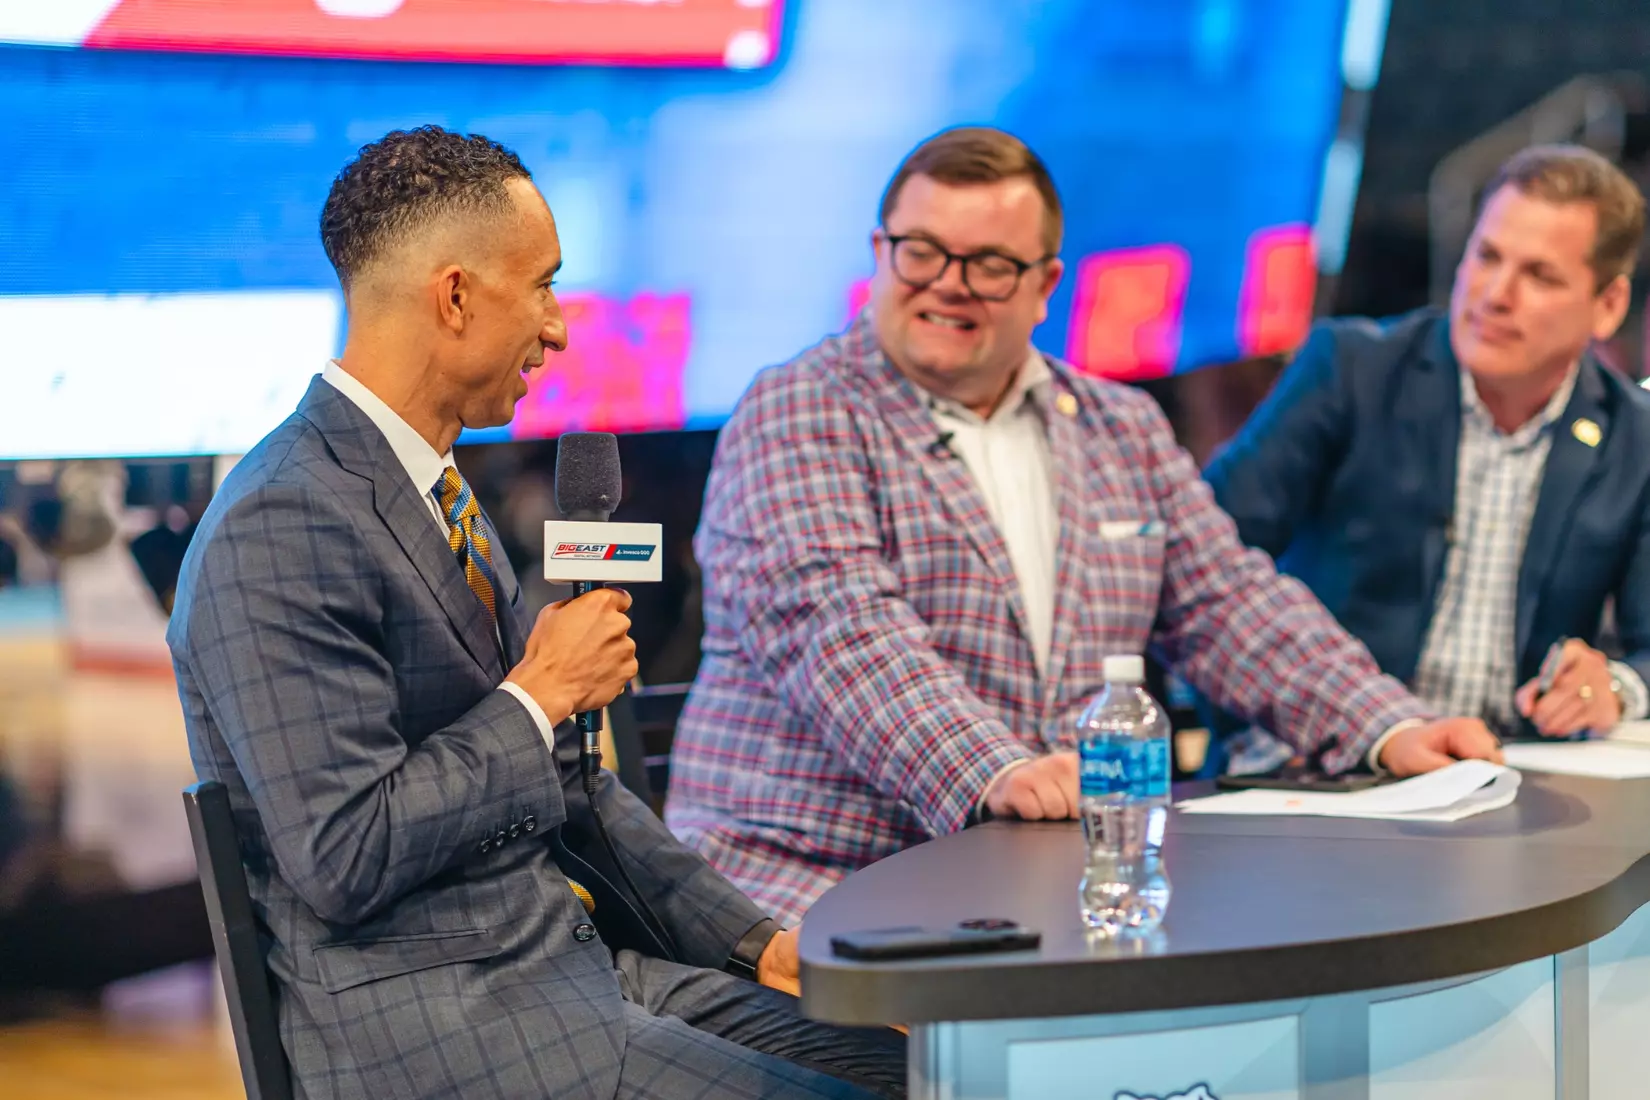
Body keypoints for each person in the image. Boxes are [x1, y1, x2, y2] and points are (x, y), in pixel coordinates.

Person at [166, 126, 904, 1100]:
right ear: (458, 294)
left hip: (570, 966)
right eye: (545, 285)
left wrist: (758, 943)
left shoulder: (432, 489)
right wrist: (538, 693)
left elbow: (572, 790)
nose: (558, 327)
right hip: (435, 1023)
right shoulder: (283, 517)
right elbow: (343, 853)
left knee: (926, 1065)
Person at [665, 126, 1503, 924]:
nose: (947, 282)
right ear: (879, 254)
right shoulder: (799, 409)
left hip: (1051, 873)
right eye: (920, 252)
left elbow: (1230, 604)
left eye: (989, 263)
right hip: (811, 881)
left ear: (1044, 285)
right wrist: (996, 770)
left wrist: (1387, 725)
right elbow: (841, 635)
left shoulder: (1119, 425)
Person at [1204, 144, 1650, 762]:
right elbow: (1198, 566)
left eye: (1539, 275)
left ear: (1608, 306)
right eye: (1486, 256)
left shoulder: (1634, 434)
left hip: (1507, 768)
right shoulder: (1350, 371)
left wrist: (1614, 688)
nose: (1495, 294)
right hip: (1328, 763)